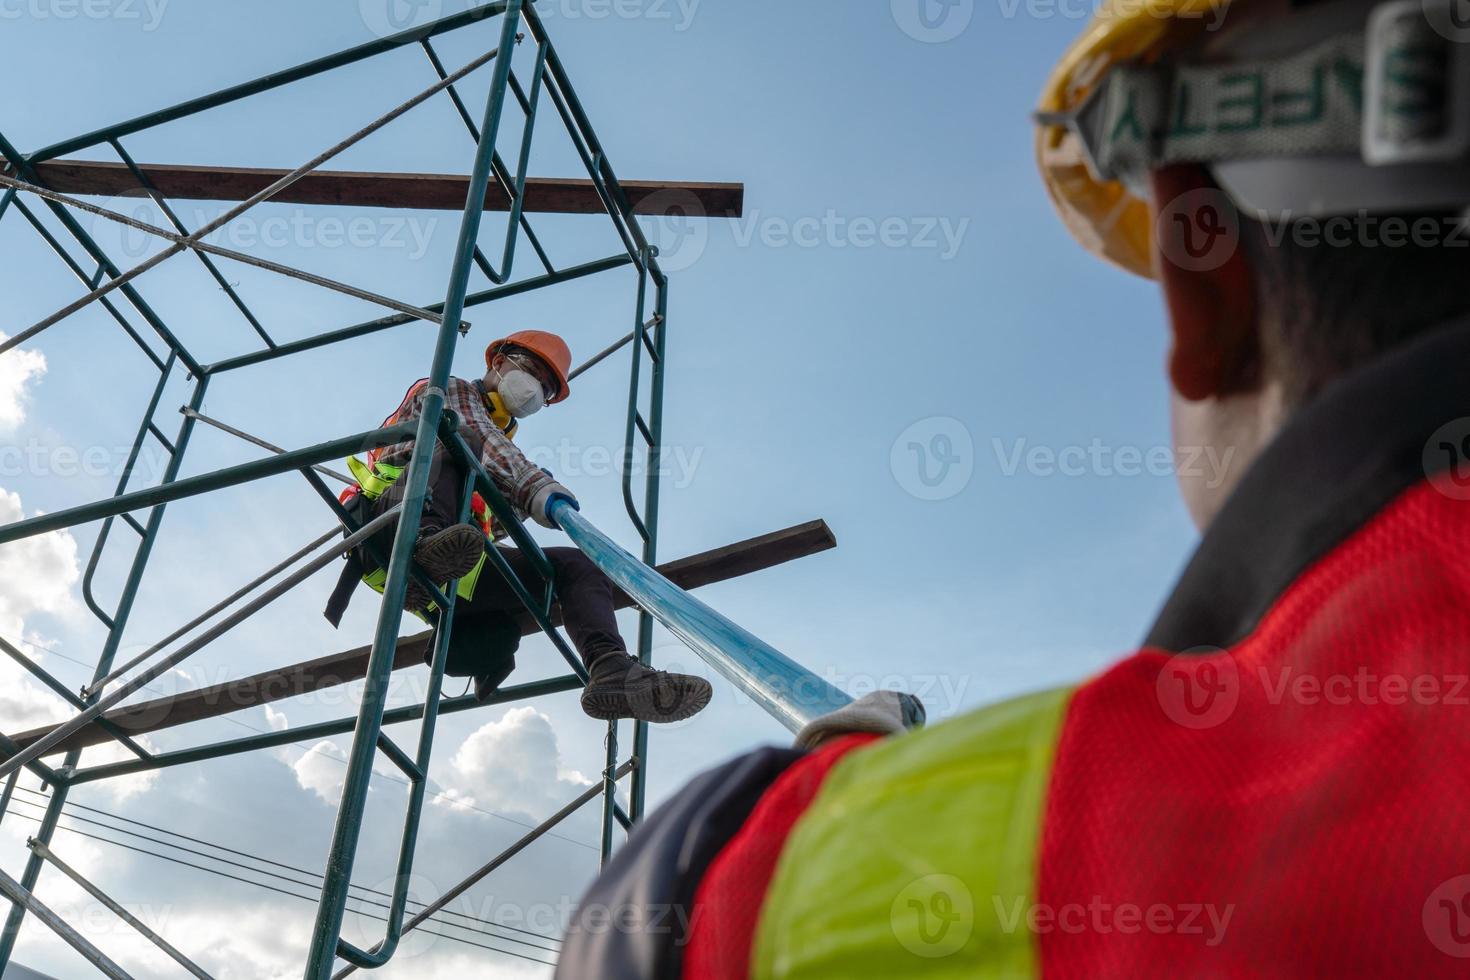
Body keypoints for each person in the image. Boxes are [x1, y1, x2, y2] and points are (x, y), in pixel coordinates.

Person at [554, 0, 1470, 975]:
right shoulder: (426, 435)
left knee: (572, 569)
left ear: (1203, 278)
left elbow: (660, 925)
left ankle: (606, 664)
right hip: (450, 552)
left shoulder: (768, 889)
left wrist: (843, 809)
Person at [325, 329, 712, 725]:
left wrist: (519, 502)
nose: (534, 390)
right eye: (531, 371)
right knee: (464, 443)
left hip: (449, 561)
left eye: (545, 390)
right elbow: (483, 442)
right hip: (392, 530)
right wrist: (537, 488)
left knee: (577, 567)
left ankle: (611, 668)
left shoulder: (495, 442)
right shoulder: (446, 392)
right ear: (497, 361)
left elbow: (489, 527)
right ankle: (422, 554)